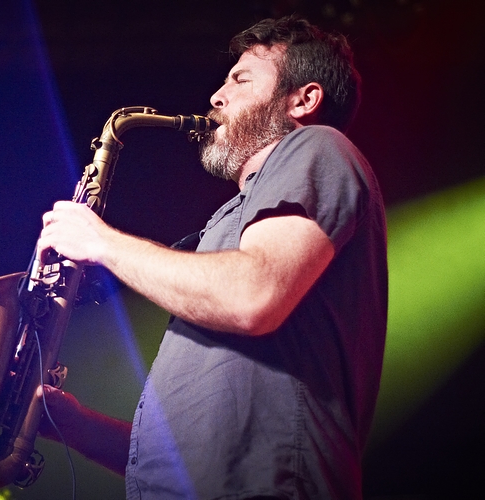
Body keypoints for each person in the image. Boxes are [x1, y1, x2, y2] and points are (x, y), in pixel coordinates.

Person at [35, 15, 387, 500]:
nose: (217, 97)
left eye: (240, 80)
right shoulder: (226, 222)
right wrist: (69, 422)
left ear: (303, 100)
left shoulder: (318, 145)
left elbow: (253, 295)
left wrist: (101, 243)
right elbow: (176, 462)